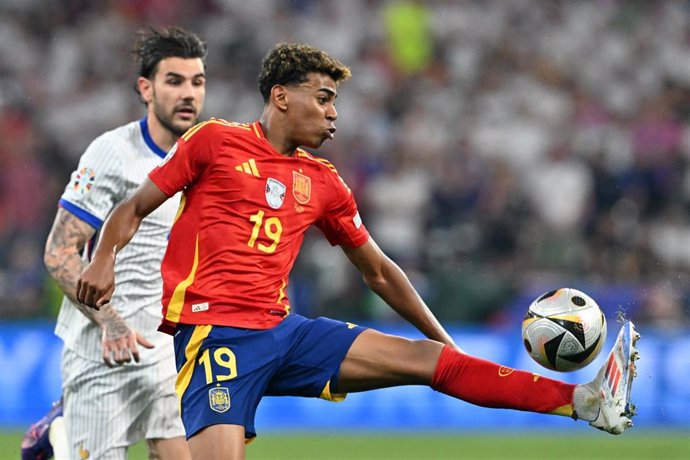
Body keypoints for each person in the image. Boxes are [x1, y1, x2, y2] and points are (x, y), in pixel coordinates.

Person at [76, 43, 639, 460]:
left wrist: (442, 346)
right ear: (280, 96)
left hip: (285, 331)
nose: (333, 113)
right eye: (322, 99)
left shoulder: (324, 183)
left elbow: (378, 271)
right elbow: (132, 209)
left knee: (425, 363)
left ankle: (587, 402)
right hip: (214, 336)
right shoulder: (214, 142)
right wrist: (102, 260)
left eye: (335, 102)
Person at [22, 26, 207, 460]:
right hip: (105, 350)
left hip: (168, 347)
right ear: (146, 88)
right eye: (174, 81)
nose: (188, 94)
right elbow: (59, 251)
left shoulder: (203, 156)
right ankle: (60, 436)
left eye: (197, 82)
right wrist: (110, 320)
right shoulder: (112, 153)